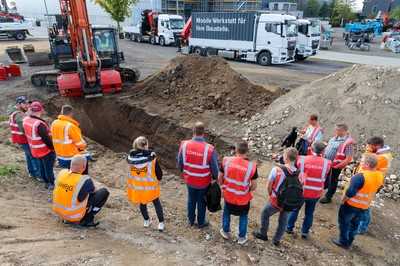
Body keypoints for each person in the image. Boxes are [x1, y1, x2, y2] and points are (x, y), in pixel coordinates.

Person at [332, 154, 384, 249]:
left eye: (362, 161)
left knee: (344, 223)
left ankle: (343, 241)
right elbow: (378, 189)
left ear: (367, 164)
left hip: (351, 205)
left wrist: (343, 200)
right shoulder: (379, 175)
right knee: (354, 225)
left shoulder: (360, 177)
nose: (360, 162)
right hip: (364, 206)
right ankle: (350, 241)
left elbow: (350, 192)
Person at [253, 148, 299, 246]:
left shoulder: (277, 169)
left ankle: (263, 233)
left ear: (285, 157)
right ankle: (276, 240)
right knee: (283, 220)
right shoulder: (299, 173)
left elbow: (269, 186)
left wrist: (271, 195)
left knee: (265, 213)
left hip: (276, 200)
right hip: (290, 201)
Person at [177, 121, 219, 228]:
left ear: (193, 131)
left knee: (191, 199)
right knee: (201, 202)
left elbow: (180, 162)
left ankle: (190, 220)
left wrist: (183, 172)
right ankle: (201, 222)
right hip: (203, 182)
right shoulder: (209, 149)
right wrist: (215, 178)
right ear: (203, 133)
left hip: (190, 179)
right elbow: (215, 168)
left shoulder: (184, 145)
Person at [286, 141, 332, 239]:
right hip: (315, 192)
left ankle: (289, 228)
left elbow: (293, 172)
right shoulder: (327, 163)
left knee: (295, 210)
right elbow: (328, 180)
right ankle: (305, 232)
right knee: (309, 213)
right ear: (323, 151)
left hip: (301, 191)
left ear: (311, 149)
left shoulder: (301, 159)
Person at [218, 141, 258, 245]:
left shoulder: (226, 160)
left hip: (229, 195)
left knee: (226, 212)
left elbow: (220, 178)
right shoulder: (252, 166)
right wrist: (247, 189)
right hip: (243, 199)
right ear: (247, 151)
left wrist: (223, 187)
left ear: (236, 150)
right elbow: (254, 186)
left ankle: (225, 232)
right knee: (243, 216)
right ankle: (241, 237)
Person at [53, 155, 109, 227]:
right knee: (104, 192)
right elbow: (93, 191)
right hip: (73, 216)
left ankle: (68, 217)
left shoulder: (62, 173)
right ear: (84, 167)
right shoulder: (85, 180)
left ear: (71, 164)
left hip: (59, 211)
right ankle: (88, 219)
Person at [127, 136, 165, 231]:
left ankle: (146, 221)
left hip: (138, 187)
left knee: (142, 203)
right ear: (146, 145)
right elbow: (159, 173)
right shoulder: (151, 158)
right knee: (156, 203)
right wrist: (159, 178)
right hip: (151, 187)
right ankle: (161, 223)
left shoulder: (131, 158)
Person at [356, 136, 392, 234]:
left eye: (370, 146)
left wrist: (368, 152)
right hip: (368, 179)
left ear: (377, 146)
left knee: (364, 205)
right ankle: (359, 221)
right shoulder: (377, 153)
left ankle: (362, 227)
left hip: (372, 182)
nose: (368, 147)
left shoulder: (383, 157)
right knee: (362, 203)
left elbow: (366, 163)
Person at [22, 101, 56, 189]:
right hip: (45, 150)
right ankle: (51, 183)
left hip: (35, 149)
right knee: (48, 168)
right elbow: (47, 139)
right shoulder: (39, 124)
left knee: (41, 166)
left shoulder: (26, 120)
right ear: (40, 110)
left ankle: (46, 182)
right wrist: (53, 148)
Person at [320, 124, 354, 204]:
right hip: (327, 163)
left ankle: (328, 197)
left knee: (333, 180)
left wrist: (338, 166)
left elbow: (348, 158)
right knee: (325, 177)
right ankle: (322, 189)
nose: (335, 131)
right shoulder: (334, 138)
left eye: (337, 130)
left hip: (336, 165)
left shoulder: (347, 143)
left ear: (343, 131)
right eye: (336, 129)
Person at [8, 96, 40, 179]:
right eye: (25, 103)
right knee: (33, 156)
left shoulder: (15, 112)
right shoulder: (19, 115)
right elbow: (24, 128)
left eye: (27, 103)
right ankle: (38, 174)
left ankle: (32, 172)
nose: (27, 106)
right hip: (24, 139)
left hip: (20, 139)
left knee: (28, 155)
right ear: (19, 104)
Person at [51, 105, 89, 173]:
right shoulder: (70, 126)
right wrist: (84, 145)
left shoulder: (54, 123)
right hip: (71, 157)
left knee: (68, 173)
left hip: (60, 155)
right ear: (71, 113)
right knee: (86, 157)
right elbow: (80, 144)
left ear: (61, 112)